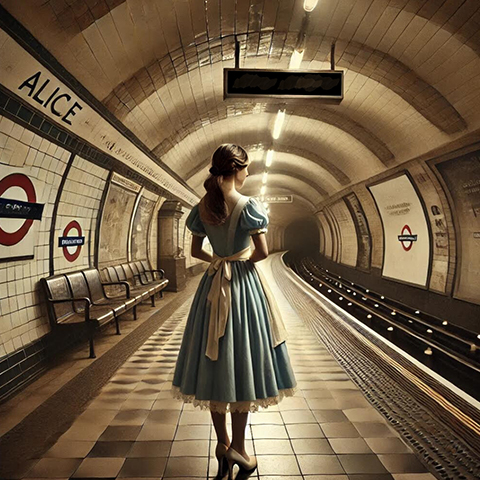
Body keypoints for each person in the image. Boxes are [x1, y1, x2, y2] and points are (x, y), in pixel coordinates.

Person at [171, 144, 297, 479]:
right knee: (242, 362)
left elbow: (197, 249)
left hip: (211, 288)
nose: (247, 174)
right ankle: (240, 447)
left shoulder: (203, 206)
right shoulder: (248, 206)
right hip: (242, 288)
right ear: (235, 168)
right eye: (246, 168)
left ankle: (222, 444)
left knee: (212, 362)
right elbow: (262, 251)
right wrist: (239, 262)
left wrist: (217, 260)